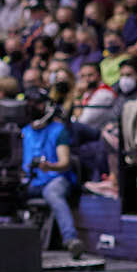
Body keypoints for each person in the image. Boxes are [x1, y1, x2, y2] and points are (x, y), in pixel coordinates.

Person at [21, 88, 83, 257]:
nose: (33, 107)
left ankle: (71, 240)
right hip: (30, 181)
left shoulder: (58, 130)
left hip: (54, 178)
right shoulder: (25, 131)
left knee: (53, 194)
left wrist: (49, 166)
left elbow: (64, 163)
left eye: (37, 103)